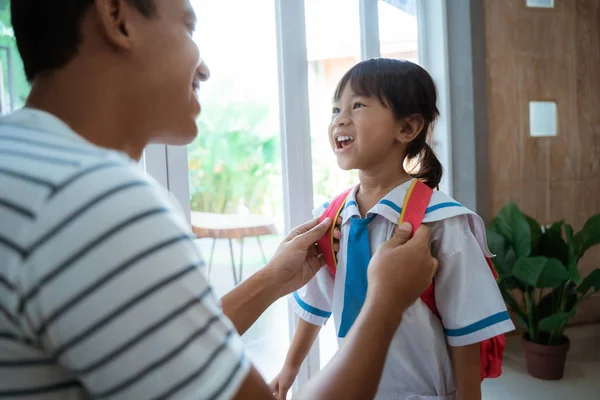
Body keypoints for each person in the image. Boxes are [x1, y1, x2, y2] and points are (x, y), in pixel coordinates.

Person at [0, 2, 438, 399]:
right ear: (117, 18)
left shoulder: (22, 164)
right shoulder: (96, 201)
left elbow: (162, 343)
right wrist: (384, 303)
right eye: (188, 27)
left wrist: (270, 280)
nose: (204, 68)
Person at [271, 58, 515, 400]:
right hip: (355, 386)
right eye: (335, 108)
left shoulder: (440, 221)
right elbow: (317, 301)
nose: (340, 118)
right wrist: (289, 369)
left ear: (407, 128)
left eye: (357, 105)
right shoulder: (333, 219)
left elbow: (467, 323)